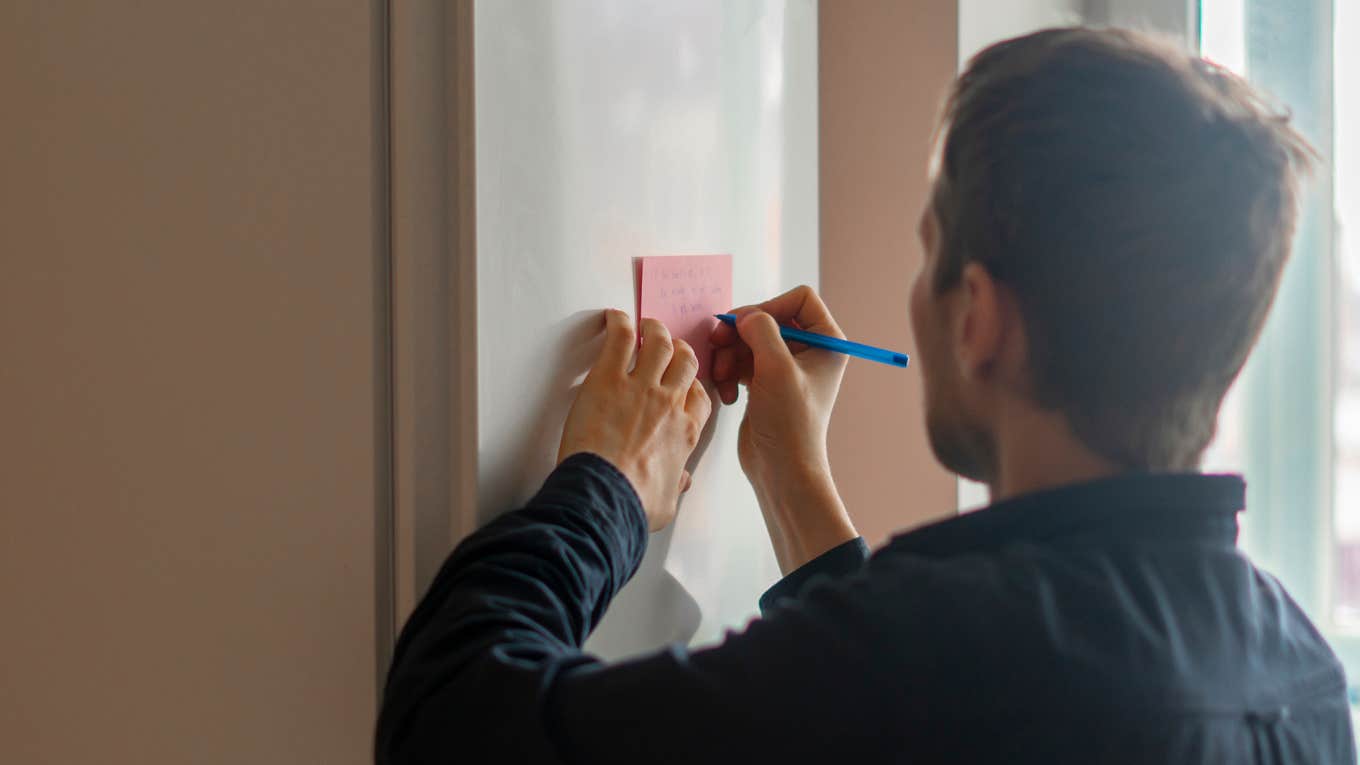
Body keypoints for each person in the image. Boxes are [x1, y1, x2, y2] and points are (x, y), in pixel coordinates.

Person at [374, 27, 1354, 763]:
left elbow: (448, 723)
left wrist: (608, 485)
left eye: (927, 254)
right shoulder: (1304, 678)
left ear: (976, 316)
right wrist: (792, 477)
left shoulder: (935, 659)